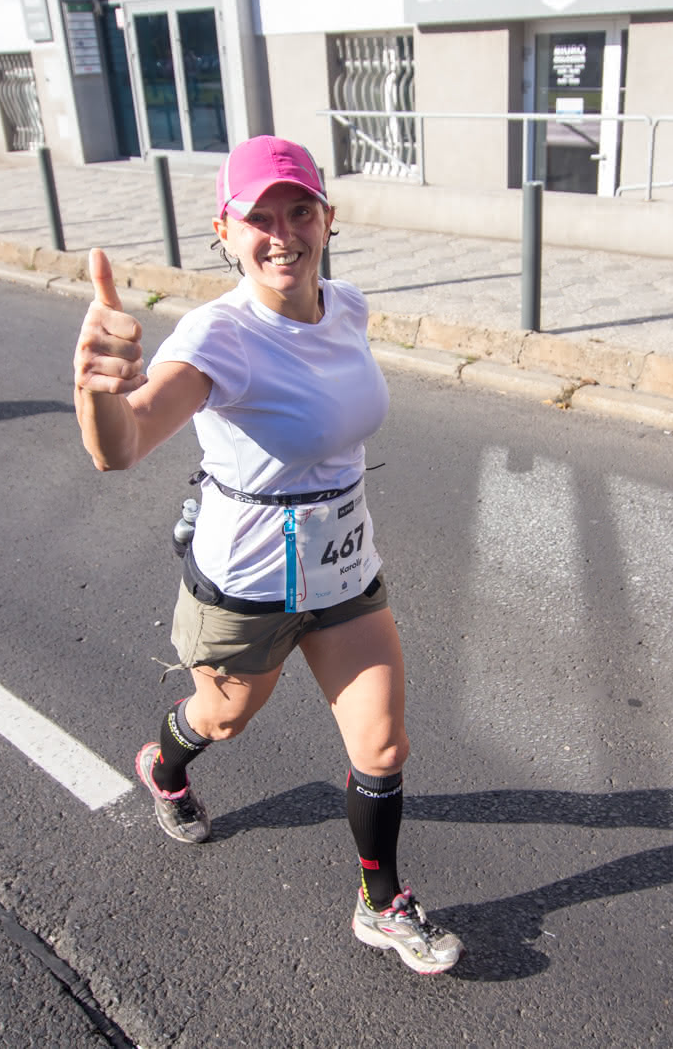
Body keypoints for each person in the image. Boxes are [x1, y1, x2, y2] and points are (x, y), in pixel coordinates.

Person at [71, 135, 463, 976]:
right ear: (224, 231)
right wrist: (98, 392)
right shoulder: (219, 336)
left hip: (344, 572)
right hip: (248, 584)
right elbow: (125, 442)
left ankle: (380, 902)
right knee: (224, 718)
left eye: (299, 211)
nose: (281, 233)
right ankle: (165, 763)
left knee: (383, 746)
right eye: (259, 218)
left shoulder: (348, 307)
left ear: (328, 217)